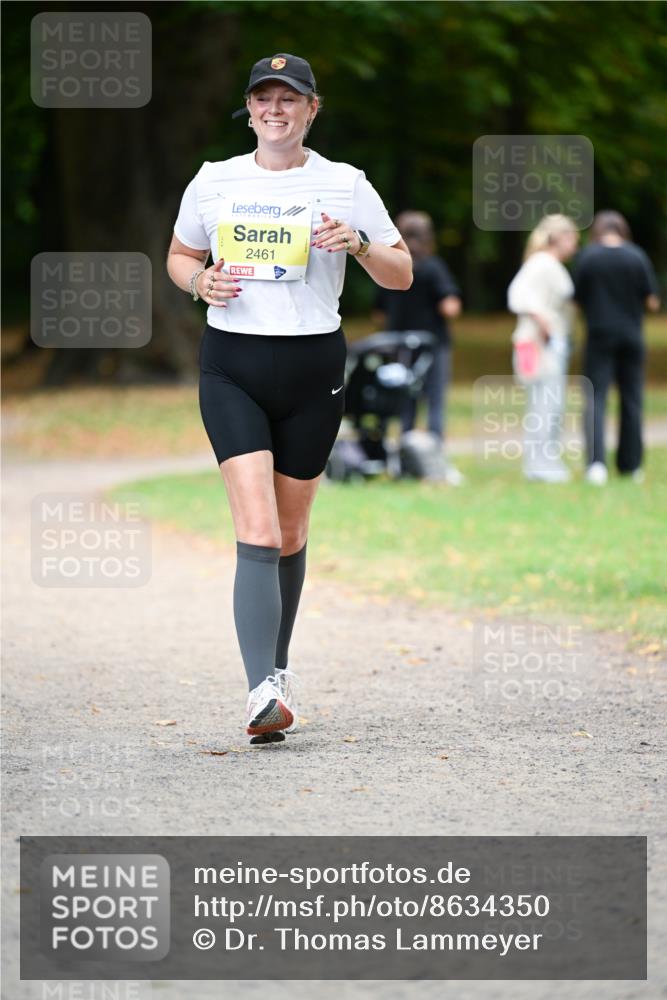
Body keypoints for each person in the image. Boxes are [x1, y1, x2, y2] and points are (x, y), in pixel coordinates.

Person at [166, 54, 412, 743]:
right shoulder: (214, 182)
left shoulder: (344, 183)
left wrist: (358, 243)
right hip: (232, 364)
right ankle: (257, 691)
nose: (275, 109)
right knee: (260, 530)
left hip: (314, 366)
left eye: (289, 99)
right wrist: (198, 284)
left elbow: (400, 273)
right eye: (263, 98)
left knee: (294, 532)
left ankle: (274, 673)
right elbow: (180, 255)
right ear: (249, 109)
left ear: (311, 109)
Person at [373, 211, 463, 483]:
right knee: (435, 401)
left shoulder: (391, 265)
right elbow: (450, 307)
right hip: (432, 344)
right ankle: (435, 458)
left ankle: (404, 458)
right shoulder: (433, 267)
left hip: (398, 345)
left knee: (405, 401)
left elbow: (377, 313)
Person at [573, 210, 661, 485]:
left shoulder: (588, 257)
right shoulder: (637, 256)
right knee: (632, 399)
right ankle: (631, 465)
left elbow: (576, 300)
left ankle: (596, 464)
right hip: (631, 336)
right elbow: (652, 302)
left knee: (595, 398)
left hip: (599, 335)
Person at [507, 214, 579, 482]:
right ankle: (540, 463)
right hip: (538, 344)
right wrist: (545, 324)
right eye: (572, 238)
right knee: (545, 403)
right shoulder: (543, 263)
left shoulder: (546, 264)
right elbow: (518, 295)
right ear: (559, 237)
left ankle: (542, 460)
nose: (575, 245)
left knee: (549, 403)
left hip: (545, 343)